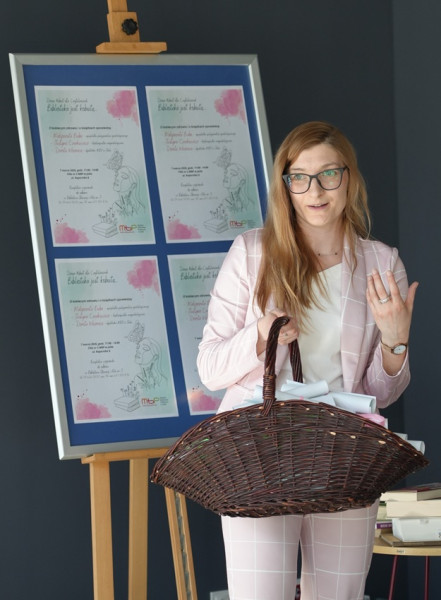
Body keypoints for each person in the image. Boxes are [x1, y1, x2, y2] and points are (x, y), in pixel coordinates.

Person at [197, 121, 418, 600]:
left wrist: (395, 342)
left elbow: (378, 395)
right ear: (286, 185)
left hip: (344, 454)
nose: (315, 191)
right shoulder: (252, 253)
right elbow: (210, 369)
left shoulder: (381, 263)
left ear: (349, 178)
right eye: (300, 177)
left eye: (328, 175)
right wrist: (260, 335)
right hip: (259, 453)